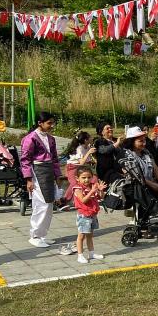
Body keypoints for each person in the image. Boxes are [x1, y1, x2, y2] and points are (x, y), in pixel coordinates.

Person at [20, 111, 62, 248]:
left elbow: (55, 159)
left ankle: (42, 235)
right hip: (37, 173)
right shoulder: (30, 138)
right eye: (49, 123)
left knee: (49, 204)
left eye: (52, 123)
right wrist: (28, 179)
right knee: (41, 204)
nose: (52, 125)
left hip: (49, 171)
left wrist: (58, 175)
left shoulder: (51, 139)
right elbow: (25, 159)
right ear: (40, 123)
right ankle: (35, 235)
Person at [72, 165, 106, 264]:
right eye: (83, 177)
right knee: (81, 236)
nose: (87, 180)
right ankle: (80, 255)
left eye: (89, 177)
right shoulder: (77, 188)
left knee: (90, 235)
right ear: (77, 178)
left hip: (92, 214)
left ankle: (91, 253)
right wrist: (92, 191)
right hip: (84, 215)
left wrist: (100, 190)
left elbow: (101, 197)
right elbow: (83, 200)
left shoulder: (92, 186)